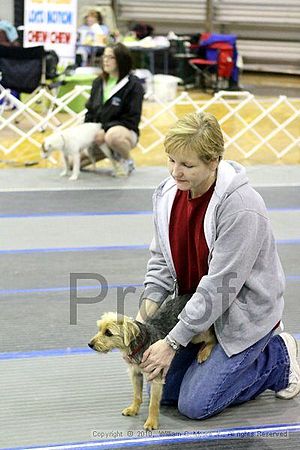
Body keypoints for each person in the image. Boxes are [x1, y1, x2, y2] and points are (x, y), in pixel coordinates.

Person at [136, 111, 300, 419]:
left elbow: (220, 287)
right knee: (164, 391)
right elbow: (159, 261)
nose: (175, 172)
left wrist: (172, 341)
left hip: (240, 314)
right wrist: (142, 324)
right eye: (171, 160)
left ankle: (278, 358)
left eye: (187, 165)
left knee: (196, 405)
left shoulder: (241, 208)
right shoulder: (167, 194)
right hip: (198, 309)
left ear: (214, 161)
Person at [83, 42, 144, 176]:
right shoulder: (98, 82)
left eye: (111, 57)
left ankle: (126, 160)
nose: (106, 60)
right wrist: (88, 132)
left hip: (123, 133)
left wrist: (104, 130)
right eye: (104, 57)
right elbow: (90, 111)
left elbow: (132, 119)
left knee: (113, 136)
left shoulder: (134, 85)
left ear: (121, 60)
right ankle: (112, 154)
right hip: (97, 133)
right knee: (72, 163)